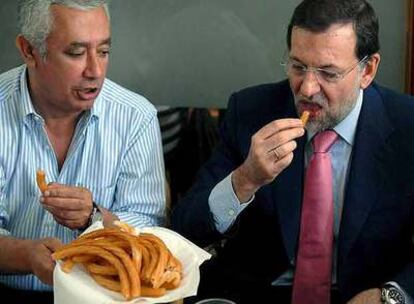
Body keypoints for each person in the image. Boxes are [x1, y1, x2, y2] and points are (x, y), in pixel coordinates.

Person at [172, 0, 414, 303]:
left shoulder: (407, 126)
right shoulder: (251, 111)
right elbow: (185, 229)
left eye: (328, 73)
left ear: (368, 70)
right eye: (298, 66)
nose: (307, 88)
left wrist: (393, 294)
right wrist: (245, 179)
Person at [0, 0, 165, 302]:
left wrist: (95, 217)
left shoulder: (135, 117)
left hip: (103, 295)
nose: (95, 71)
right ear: (29, 51)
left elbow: (149, 230)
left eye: (103, 52)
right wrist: (26, 255)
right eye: (76, 53)